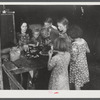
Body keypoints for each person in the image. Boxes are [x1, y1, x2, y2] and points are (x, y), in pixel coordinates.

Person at [68, 25, 90, 90]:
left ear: (72, 35)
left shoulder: (74, 45)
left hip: (77, 67)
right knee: (80, 82)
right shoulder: (83, 40)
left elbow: (74, 59)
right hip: (83, 65)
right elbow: (88, 51)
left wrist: (69, 55)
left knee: (77, 85)